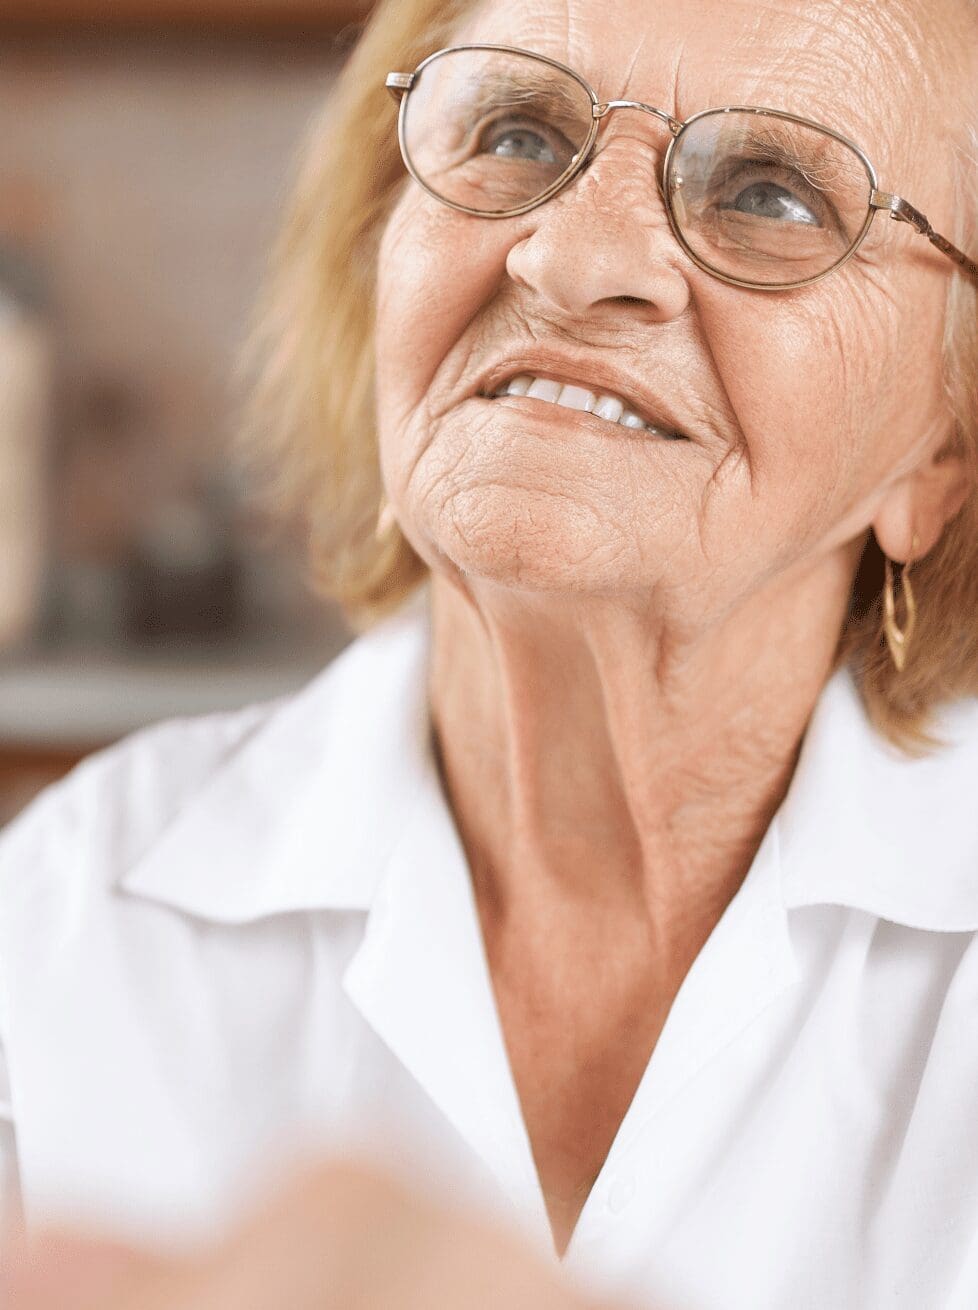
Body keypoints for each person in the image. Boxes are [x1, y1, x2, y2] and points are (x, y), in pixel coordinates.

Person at [2, 0, 978, 1305]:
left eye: (770, 193)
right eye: (517, 132)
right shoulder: (68, 919)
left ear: (941, 454)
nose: (572, 261)